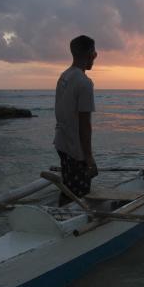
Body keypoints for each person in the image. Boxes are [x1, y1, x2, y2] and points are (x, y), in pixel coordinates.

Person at [53, 35, 98, 206]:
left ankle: (60, 215)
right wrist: (89, 158)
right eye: (94, 52)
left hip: (61, 142)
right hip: (75, 147)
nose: (95, 56)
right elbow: (84, 125)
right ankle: (70, 226)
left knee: (68, 187)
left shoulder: (64, 76)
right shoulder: (84, 83)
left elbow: (60, 110)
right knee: (79, 195)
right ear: (89, 53)